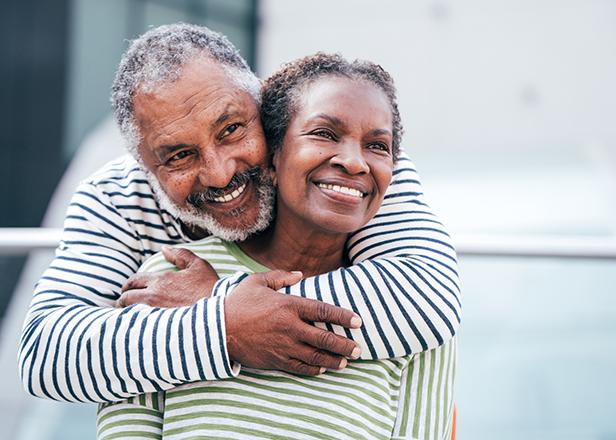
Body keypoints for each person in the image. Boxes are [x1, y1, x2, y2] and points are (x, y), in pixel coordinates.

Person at [19, 23, 460, 404]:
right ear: (144, 167)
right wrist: (225, 327)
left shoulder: (348, 166)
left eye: (231, 129)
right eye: (178, 156)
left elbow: (425, 298)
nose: (218, 172)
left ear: (263, 106)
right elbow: (47, 355)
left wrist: (220, 301)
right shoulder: (115, 198)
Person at [97, 52, 456, 440]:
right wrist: (226, 317)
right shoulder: (166, 282)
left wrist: (218, 300)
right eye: (324, 133)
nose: (354, 162)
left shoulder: (415, 321)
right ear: (272, 154)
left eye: (377, 146)